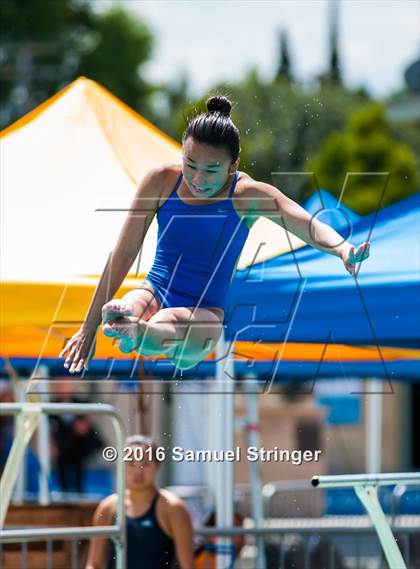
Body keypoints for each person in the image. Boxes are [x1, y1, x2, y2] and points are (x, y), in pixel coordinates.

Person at [60, 95, 370, 373]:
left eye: (211, 170)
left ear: (233, 166)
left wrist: (342, 248)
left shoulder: (246, 195)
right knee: (136, 300)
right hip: (155, 289)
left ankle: (134, 332)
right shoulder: (160, 181)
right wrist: (87, 328)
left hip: (203, 317)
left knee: (170, 324)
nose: (197, 178)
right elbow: (125, 253)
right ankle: (128, 322)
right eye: (190, 164)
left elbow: (304, 222)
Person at [85, 434, 195, 569]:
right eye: (131, 464)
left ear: (157, 465)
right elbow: (93, 564)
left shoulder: (172, 508)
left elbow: (188, 565)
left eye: (145, 464)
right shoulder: (108, 507)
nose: (138, 471)